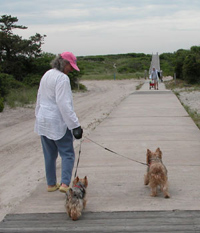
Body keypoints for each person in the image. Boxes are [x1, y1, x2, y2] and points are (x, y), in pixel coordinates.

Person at [34, 51, 83, 193]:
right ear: (64, 63)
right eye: (71, 66)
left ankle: (51, 184)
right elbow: (64, 104)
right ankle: (65, 184)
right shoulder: (62, 79)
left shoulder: (47, 74)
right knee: (67, 153)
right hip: (57, 121)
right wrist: (75, 125)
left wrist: (38, 116)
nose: (71, 69)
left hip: (43, 120)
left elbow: (39, 97)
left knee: (49, 154)